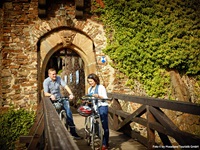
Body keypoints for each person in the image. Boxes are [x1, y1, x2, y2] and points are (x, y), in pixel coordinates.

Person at [43, 68, 82, 140]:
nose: (55, 75)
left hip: (60, 98)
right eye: (53, 74)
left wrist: (71, 94)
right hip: (52, 99)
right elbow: (45, 93)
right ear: (49, 75)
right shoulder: (46, 81)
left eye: (55, 74)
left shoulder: (58, 78)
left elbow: (66, 86)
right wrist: (51, 95)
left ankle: (73, 133)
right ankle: (54, 133)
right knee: (53, 116)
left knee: (69, 112)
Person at [87, 73, 109, 150]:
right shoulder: (89, 89)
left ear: (95, 80)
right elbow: (89, 99)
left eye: (91, 81)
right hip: (95, 107)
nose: (90, 83)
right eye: (89, 82)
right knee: (95, 124)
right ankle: (97, 136)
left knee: (104, 126)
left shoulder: (101, 87)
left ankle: (105, 144)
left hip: (102, 106)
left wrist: (98, 96)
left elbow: (105, 98)